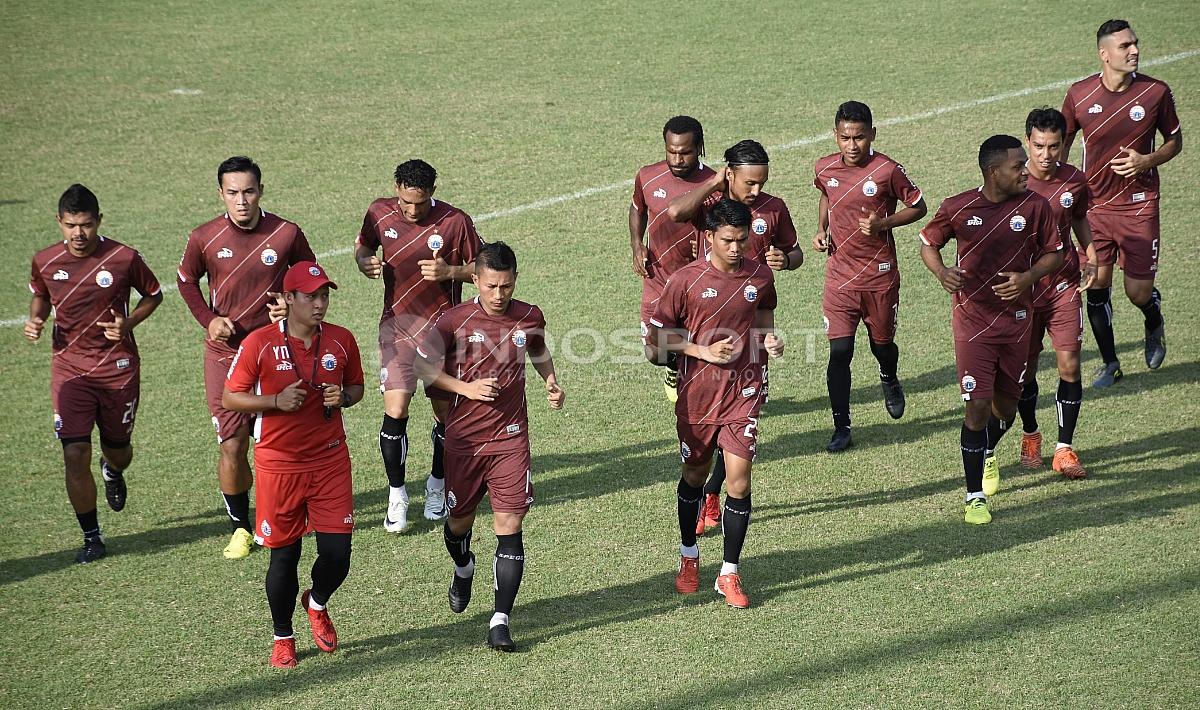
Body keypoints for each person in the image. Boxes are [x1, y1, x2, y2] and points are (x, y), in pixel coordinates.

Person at [415, 242, 565, 651]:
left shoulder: (529, 316)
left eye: (507, 286)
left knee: (509, 525)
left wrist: (550, 381)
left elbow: (538, 350)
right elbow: (422, 367)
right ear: (475, 280)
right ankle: (463, 568)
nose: (500, 295)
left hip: (511, 439)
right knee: (458, 524)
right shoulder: (453, 320)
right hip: (464, 443)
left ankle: (500, 620)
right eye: (492, 286)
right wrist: (466, 388)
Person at [222, 261, 364, 669]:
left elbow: (355, 386)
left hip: (330, 460)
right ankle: (283, 636)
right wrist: (274, 402)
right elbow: (232, 398)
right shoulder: (260, 344)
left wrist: (346, 398)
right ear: (288, 299)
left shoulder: (341, 341)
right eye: (310, 296)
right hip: (278, 466)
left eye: (324, 296)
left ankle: (316, 602)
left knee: (338, 553)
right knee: (284, 557)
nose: (320, 304)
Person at [647, 198, 784, 608]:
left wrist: (769, 343)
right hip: (698, 397)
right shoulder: (685, 281)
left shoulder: (759, 276)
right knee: (694, 475)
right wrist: (700, 351)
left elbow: (763, 324)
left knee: (739, 482)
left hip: (743, 391)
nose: (736, 248)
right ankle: (689, 556)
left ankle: (729, 572)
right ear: (709, 236)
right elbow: (655, 343)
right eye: (728, 240)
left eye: (742, 240)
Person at [919, 135, 1063, 524]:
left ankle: (986, 450)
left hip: (1017, 323)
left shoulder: (1036, 207)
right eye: (1018, 166)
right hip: (972, 324)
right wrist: (942, 272)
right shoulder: (959, 207)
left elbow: (1056, 253)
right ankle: (974, 497)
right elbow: (928, 243)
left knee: (1007, 410)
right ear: (993, 172)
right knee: (977, 407)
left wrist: (1028, 277)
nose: (1026, 172)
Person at [178, 156, 316, 560]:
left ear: (261, 190)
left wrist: (290, 308)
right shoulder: (204, 237)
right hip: (225, 356)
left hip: (275, 353)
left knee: (285, 442)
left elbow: (312, 276)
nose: (242, 200)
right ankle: (240, 526)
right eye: (233, 192)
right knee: (233, 444)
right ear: (220, 194)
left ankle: (285, 515)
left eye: (249, 191)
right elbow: (186, 281)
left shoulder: (286, 233)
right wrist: (208, 319)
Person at [666, 140, 802, 534]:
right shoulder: (711, 207)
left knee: (740, 419)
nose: (756, 191)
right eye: (748, 182)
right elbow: (676, 213)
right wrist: (713, 185)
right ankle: (705, 489)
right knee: (708, 426)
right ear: (731, 174)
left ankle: (714, 492)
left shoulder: (774, 209)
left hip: (749, 329)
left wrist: (784, 260)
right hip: (704, 321)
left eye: (762, 182)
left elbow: (795, 254)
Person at [26, 184, 163, 563]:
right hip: (70, 371)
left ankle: (112, 470)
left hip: (117, 370)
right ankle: (92, 537)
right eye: (71, 225)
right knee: (74, 452)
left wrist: (129, 323)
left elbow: (153, 293)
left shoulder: (122, 257)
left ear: (99, 221)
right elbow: (40, 293)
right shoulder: (45, 261)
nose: (78, 234)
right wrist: (37, 318)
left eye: (85, 225)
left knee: (119, 452)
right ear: (59, 222)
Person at [355, 159, 484, 531]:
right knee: (395, 410)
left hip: (443, 332)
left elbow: (486, 270)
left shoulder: (455, 222)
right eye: (407, 203)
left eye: (422, 203)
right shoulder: (379, 212)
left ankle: (437, 484)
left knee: (445, 416)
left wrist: (451, 272)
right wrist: (365, 261)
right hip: (396, 329)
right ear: (397, 187)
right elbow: (363, 245)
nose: (413, 210)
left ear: (432, 192)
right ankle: (397, 494)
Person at [1062, 19, 1183, 387]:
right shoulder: (1079, 95)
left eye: (1135, 44)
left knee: (1137, 291)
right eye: (1125, 46)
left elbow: (1174, 141)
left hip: (1138, 205)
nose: (1134, 51)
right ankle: (1111, 364)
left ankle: (1153, 317)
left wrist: (1146, 161)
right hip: (1094, 208)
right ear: (1104, 54)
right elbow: (1062, 150)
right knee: (1095, 284)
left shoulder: (1155, 93)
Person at [811, 101, 927, 453]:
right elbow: (827, 197)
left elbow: (919, 206)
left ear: (872, 134)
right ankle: (841, 427)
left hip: (879, 278)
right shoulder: (824, 168)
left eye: (859, 137)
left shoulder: (887, 170)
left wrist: (883, 224)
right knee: (840, 352)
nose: (852, 145)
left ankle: (889, 377)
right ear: (836, 135)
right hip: (840, 279)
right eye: (845, 137)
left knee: (882, 347)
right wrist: (821, 229)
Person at [1018, 107, 1099, 479]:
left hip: (1064, 286)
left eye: (1053, 146)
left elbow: (1079, 217)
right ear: (1027, 143)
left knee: (1069, 365)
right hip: (1022, 292)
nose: (1046, 155)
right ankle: (1030, 433)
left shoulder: (1074, 181)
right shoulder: (1012, 184)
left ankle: (1064, 449)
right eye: (1039, 146)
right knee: (1026, 371)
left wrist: (1090, 252)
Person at [630, 115, 717, 403]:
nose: (678, 159)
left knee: (704, 345)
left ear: (700, 147)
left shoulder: (714, 184)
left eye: (686, 152)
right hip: (657, 278)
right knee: (655, 351)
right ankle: (673, 365)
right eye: (672, 151)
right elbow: (637, 208)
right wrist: (636, 244)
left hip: (697, 280)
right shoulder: (647, 176)